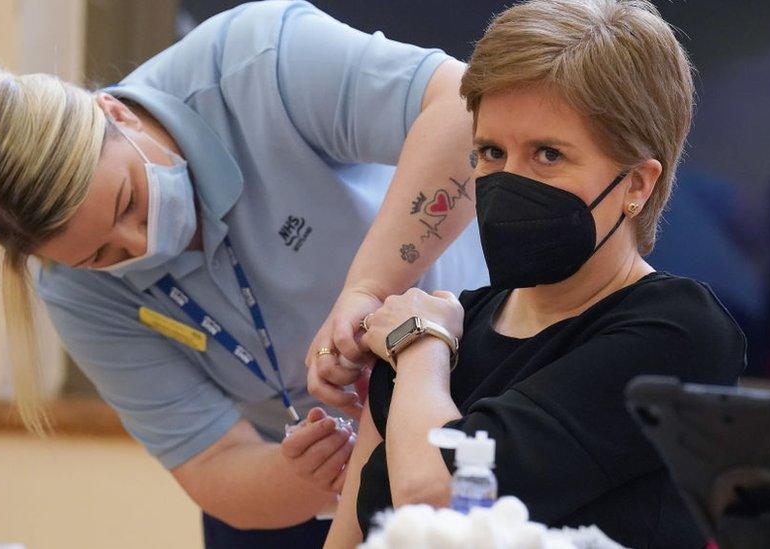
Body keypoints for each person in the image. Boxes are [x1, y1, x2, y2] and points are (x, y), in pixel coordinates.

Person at [0, 1, 487, 546]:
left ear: (115, 113)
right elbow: (214, 463)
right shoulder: (74, 290)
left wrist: (368, 288)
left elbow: (466, 113)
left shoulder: (257, 61)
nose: (140, 243)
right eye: (100, 256)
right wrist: (302, 472)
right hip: (305, 497)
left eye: (128, 201)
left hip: (481, 378)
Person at [317, 1, 747, 547]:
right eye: (491, 151)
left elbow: (438, 494)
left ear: (636, 185)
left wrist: (420, 348)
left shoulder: (677, 332)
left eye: (548, 154)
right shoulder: (445, 325)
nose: (508, 181)